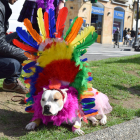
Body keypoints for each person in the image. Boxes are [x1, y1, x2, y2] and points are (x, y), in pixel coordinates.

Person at [0, 0, 29, 94]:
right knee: (13, 65)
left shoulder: (4, 5)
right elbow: (1, 46)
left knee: (22, 36)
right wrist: (28, 56)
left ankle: (10, 82)